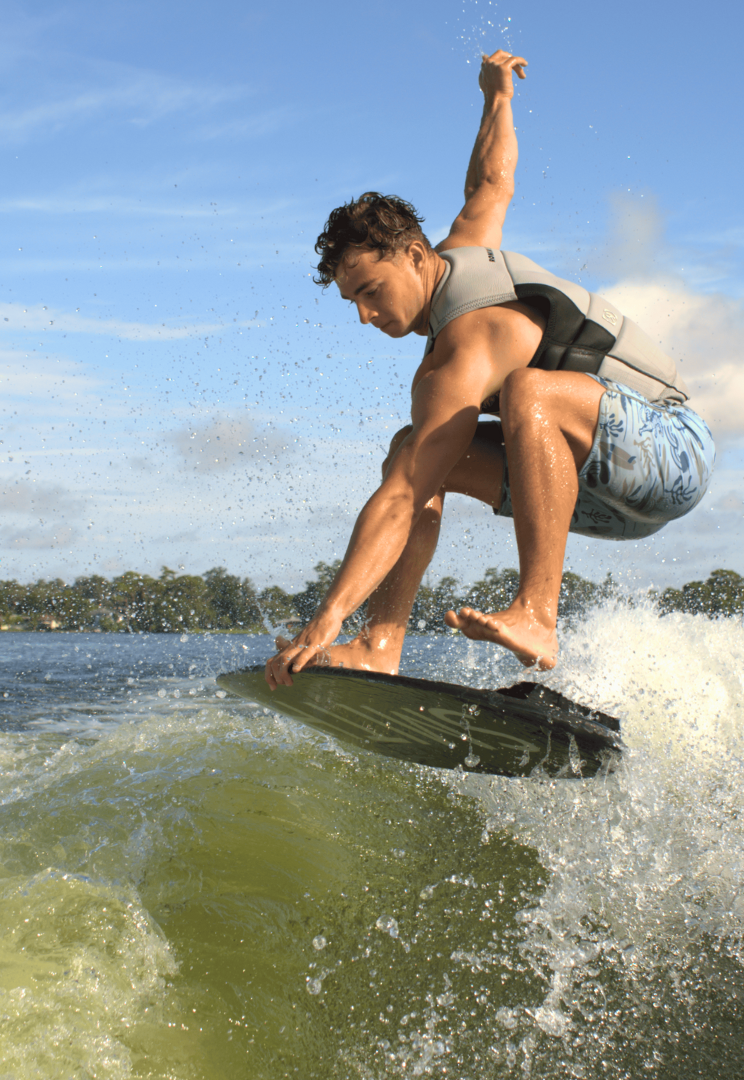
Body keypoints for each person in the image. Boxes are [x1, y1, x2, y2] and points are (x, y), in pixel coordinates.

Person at [265, 50, 714, 690]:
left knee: (526, 395)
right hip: (597, 499)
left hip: (672, 456)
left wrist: (325, 617)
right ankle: (378, 644)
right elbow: (491, 182)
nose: (365, 315)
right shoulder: (463, 251)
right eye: (351, 302)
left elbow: (402, 499)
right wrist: (497, 97)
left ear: (414, 255)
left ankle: (537, 615)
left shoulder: (464, 349)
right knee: (410, 450)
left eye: (371, 291)